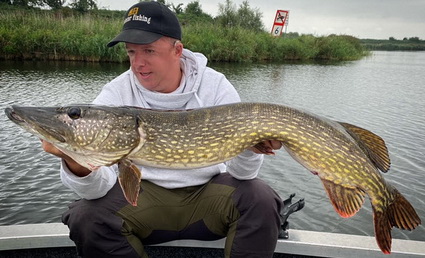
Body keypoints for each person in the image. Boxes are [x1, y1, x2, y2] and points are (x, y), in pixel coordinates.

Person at [42, 2, 283, 257]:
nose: (138, 63)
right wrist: (75, 160)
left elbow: (242, 174)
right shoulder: (115, 94)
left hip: (209, 199)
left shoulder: (215, 86)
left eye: (149, 50)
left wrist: (250, 146)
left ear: (177, 49)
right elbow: (98, 190)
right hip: (144, 204)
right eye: (131, 52)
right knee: (86, 216)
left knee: (261, 199)